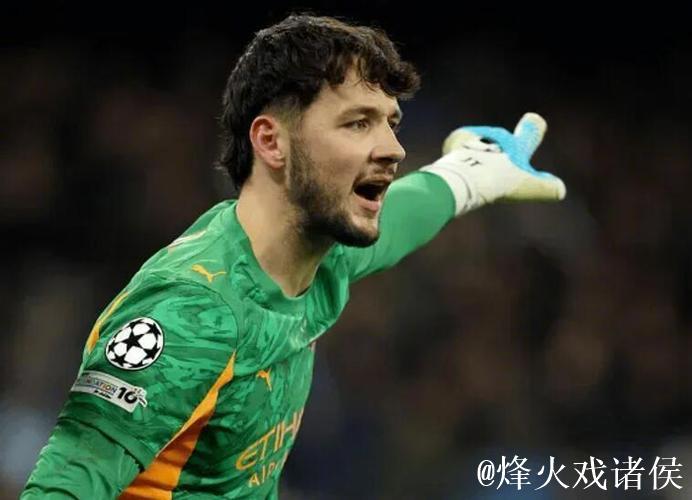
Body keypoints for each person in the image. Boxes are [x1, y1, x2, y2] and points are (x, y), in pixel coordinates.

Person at [22, 13, 565, 499]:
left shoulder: (319, 254)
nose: (394, 149)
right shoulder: (193, 311)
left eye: (391, 123)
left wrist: (473, 172)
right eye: (358, 123)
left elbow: (402, 217)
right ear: (271, 142)